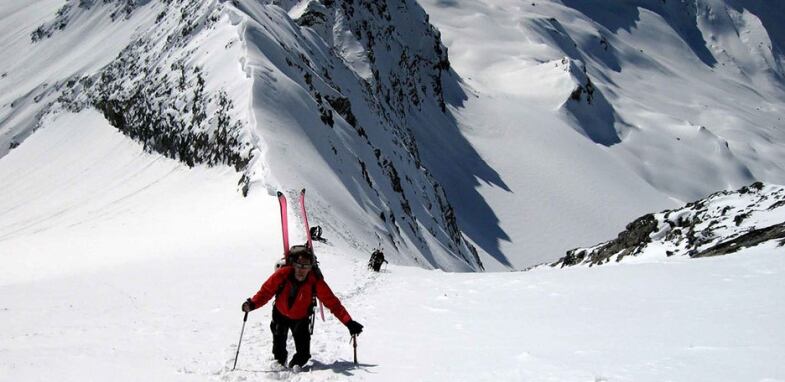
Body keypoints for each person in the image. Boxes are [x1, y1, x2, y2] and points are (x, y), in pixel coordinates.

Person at [241, 246, 363, 368]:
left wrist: (349, 322)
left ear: (311, 268)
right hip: (280, 315)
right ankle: (280, 370)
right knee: (278, 352)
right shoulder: (282, 274)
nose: (301, 270)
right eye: (299, 265)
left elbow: (333, 303)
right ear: (293, 265)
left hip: (301, 319)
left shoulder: (315, 282)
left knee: (303, 355)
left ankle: (294, 369)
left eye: (306, 267)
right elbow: (266, 292)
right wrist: (252, 304)